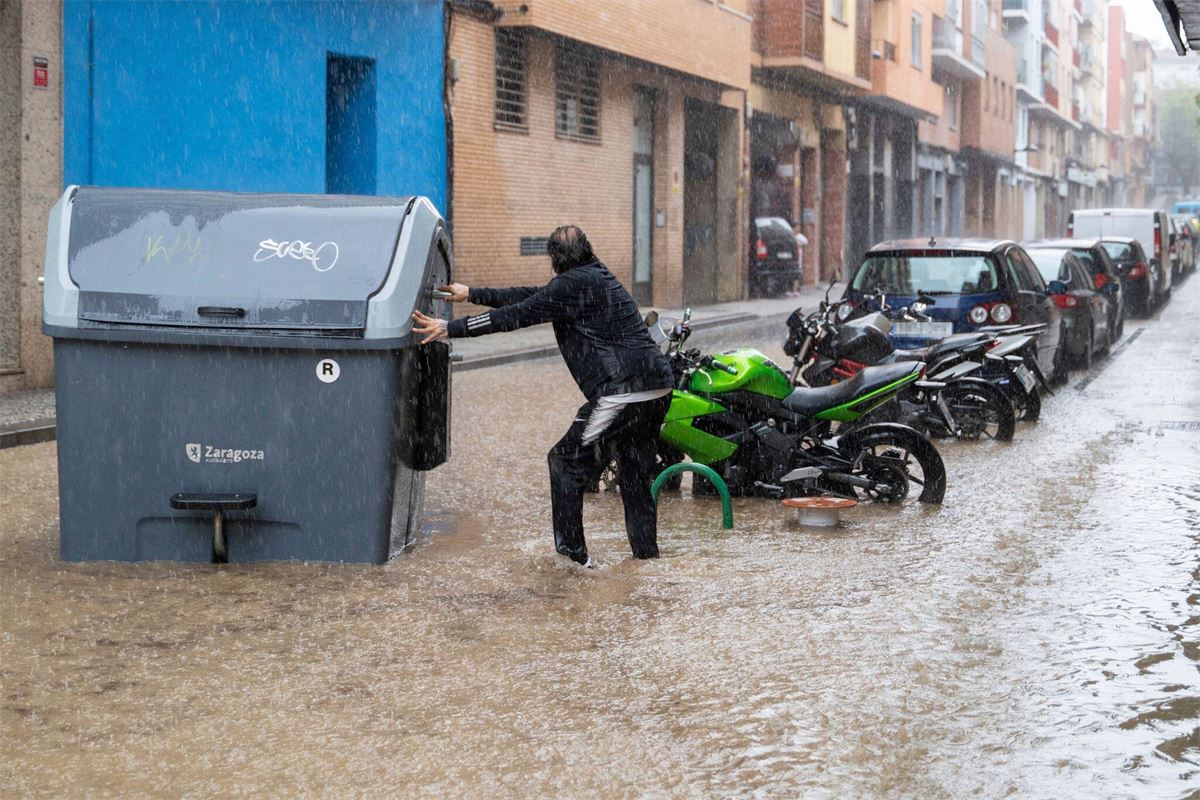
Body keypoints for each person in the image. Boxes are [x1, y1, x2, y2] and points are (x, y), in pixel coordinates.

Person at [411, 225, 673, 567]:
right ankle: (646, 561)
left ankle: (573, 563)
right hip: (658, 386)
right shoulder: (594, 275)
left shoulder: (572, 284)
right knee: (634, 475)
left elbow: (517, 315)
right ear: (587, 249)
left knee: (564, 462)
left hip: (624, 390)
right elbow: (532, 296)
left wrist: (451, 328)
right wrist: (472, 293)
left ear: (554, 260)